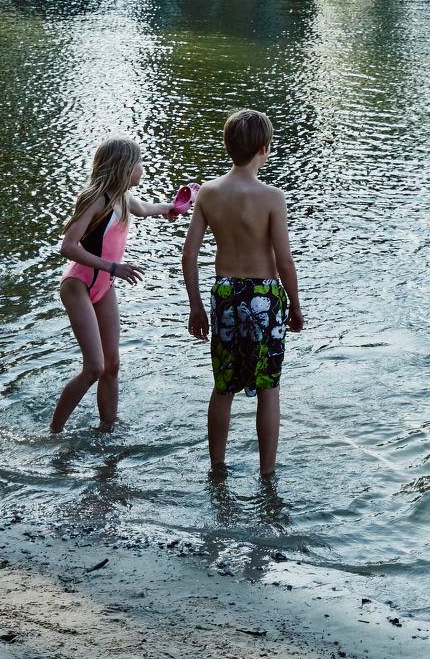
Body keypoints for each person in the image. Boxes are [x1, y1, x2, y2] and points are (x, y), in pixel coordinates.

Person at [184, 109, 306, 478]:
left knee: (223, 386)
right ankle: (267, 473)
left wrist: (195, 308)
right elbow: (284, 261)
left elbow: (189, 256)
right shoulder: (272, 197)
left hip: (223, 294)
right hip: (264, 297)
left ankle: (217, 467)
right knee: (268, 387)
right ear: (264, 149)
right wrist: (296, 307)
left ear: (228, 146)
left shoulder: (208, 192)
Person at [49, 137, 182, 434]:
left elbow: (145, 208)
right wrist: (113, 268)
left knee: (112, 364)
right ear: (124, 167)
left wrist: (171, 208)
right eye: (139, 163)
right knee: (94, 366)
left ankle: (108, 429)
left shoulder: (122, 197)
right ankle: (53, 432)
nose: (142, 168)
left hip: (105, 285)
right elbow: (68, 247)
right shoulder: (96, 199)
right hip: (78, 284)